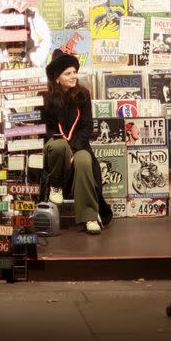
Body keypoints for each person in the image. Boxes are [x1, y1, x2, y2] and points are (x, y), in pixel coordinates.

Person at [43, 49, 112, 235]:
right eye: (68, 73)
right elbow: (47, 130)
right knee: (57, 145)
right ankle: (55, 186)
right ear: (57, 78)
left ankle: (89, 217)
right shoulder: (46, 99)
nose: (74, 76)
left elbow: (87, 127)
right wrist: (65, 147)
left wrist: (73, 150)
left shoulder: (83, 95)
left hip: (79, 146)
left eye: (74, 72)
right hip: (56, 148)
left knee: (83, 160)